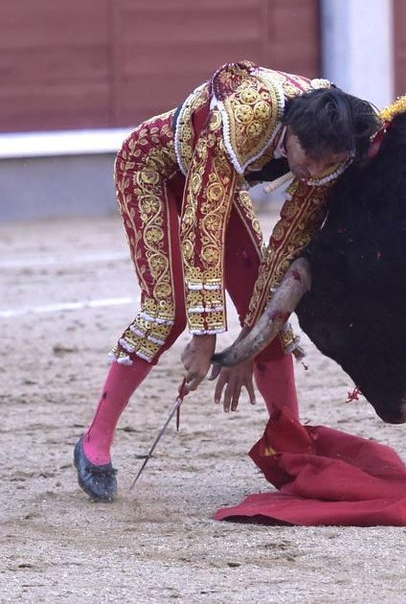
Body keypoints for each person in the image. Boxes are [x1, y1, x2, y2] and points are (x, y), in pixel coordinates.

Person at [73, 63, 382, 502]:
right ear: (289, 132)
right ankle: (94, 443)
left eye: (327, 163)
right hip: (153, 170)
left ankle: (290, 448)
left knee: (271, 310)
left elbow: (286, 247)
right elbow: (203, 221)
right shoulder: (248, 114)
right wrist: (206, 336)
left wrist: (249, 343)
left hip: (219, 179)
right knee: (168, 312)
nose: (313, 172)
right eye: (307, 159)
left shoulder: (332, 145)